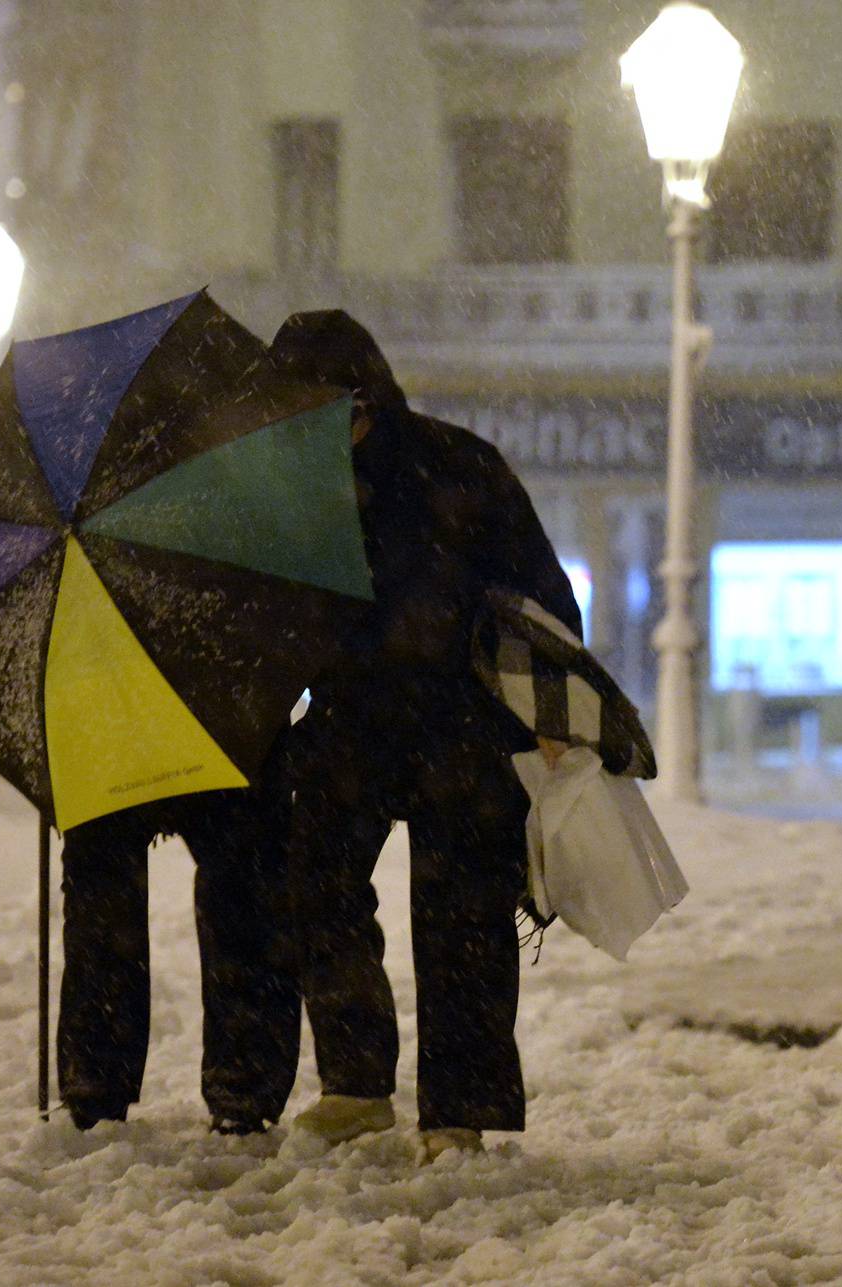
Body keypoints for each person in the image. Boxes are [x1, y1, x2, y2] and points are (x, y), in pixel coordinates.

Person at [267, 310, 580, 1157]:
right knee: (318, 889)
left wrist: (546, 720)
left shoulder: (460, 467)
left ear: (367, 398)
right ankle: (357, 1083)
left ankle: (458, 1110)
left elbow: (546, 605)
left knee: (463, 919)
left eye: (332, 413)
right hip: (347, 724)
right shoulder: (288, 494)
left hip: (460, 727)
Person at [56, 785, 298, 1134]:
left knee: (102, 881)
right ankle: (245, 1080)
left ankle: (96, 1078)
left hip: (111, 747)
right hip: (219, 742)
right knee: (246, 867)